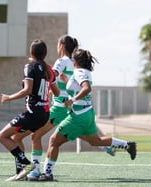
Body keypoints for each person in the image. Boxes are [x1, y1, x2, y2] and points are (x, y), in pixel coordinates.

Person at [38, 48, 137, 181]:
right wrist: (67, 81)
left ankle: (47, 174)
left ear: (75, 61)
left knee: (53, 141)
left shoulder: (79, 72)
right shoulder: (83, 72)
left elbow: (86, 88)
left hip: (79, 116)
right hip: (87, 113)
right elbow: (79, 88)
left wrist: (72, 100)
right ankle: (128, 145)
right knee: (95, 141)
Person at [26, 35, 115, 180]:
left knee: (35, 135)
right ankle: (103, 144)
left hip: (59, 107)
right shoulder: (75, 64)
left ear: (61, 46)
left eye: (57, 44)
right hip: (68, 106)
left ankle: (35, 171)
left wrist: (35, 76)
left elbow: (51, 76)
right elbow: (65, 83)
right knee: (76, 133)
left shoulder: (61, 61)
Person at [0, 39, 60, 181]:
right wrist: (45, 93)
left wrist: (8, 97)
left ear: (31, 52)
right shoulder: (49, 70)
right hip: (44, 114)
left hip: (32, 114)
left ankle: (26, 164)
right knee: (16, 138)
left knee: (2, 136)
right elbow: (57, 92)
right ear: (45, 54)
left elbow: (27, 90)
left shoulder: (30, 67)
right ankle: (20, 173)